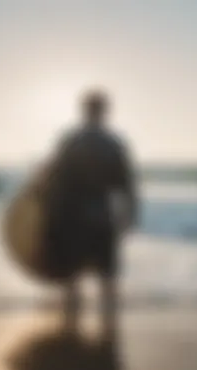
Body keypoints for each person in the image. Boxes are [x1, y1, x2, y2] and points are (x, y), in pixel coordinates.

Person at [44, 89, 137, 334]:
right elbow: (127, 184)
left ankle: (70, 326)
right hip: (102, 217)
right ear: (105, 112)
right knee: (107, 277)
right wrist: (130, 215)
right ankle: (109, 328)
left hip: (71, 216)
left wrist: (48, 216)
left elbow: (53, 178)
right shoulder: (114, 144)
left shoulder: (70, 141)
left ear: (84, 110)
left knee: (71, 277)